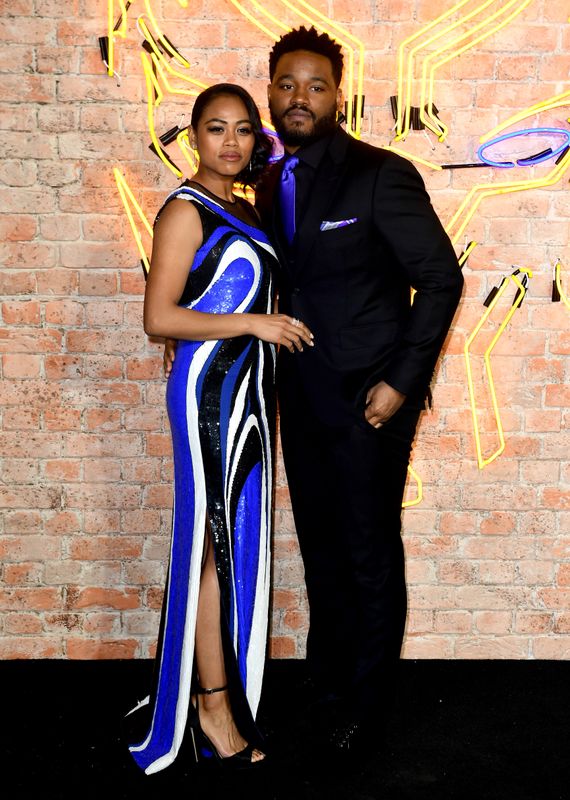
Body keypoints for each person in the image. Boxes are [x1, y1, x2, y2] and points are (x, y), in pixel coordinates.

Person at [253, 26, 464, 755]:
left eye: (315, 85)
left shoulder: (382, 173)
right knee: (321, 550)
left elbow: (442, 278)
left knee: (370, 551)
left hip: (371, 403)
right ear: (270, 90)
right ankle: (330, 683)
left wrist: (401, 386)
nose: (298, 97)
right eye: (286, 84)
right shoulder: (263, 179)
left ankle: (366, 712)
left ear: (338, 95)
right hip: (300, 398)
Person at [125, 82, 313, 776]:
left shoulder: (246, 207)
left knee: (230, 544)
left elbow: (220, 292)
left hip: (251, 391)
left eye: (241, 131)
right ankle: (209, 707)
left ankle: (216, 697)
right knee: (207, 547)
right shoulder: (184, 210)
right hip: (209, 391)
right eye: (215, 129)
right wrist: (250, 324)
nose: (229, 143)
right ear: (195, 137)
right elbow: (158, 318)